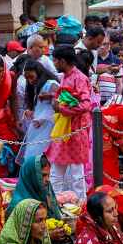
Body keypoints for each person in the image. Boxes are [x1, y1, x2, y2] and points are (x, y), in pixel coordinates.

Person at [46, 46, 92, 200]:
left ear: (63, 61)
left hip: (76, 130)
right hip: (63, 130)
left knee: (76, 174)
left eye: (55, 60)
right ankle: (55, 204)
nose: (53, 63)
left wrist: (61, 108)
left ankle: (81, 207)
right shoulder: (65, 76)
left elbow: (86, 105)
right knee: (56, 171)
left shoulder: (79, 78)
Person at [17, 60, 60, 163]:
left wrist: (50, 97)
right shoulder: (36, 86)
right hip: (38, 126)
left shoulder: (51, 84)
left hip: (49, 126)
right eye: (27, 78)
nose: (30, 81)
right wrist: (31, 111)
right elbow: (39, 107)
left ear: (39, 72)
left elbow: (60, 102)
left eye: (31, 77)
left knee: (41, 156)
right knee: (32, 155)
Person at [6, 153, 62, 221]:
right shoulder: (19, 206)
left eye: (48, 175)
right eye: (43, 175)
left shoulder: (45, 193)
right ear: (31, 176)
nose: (48, 180)